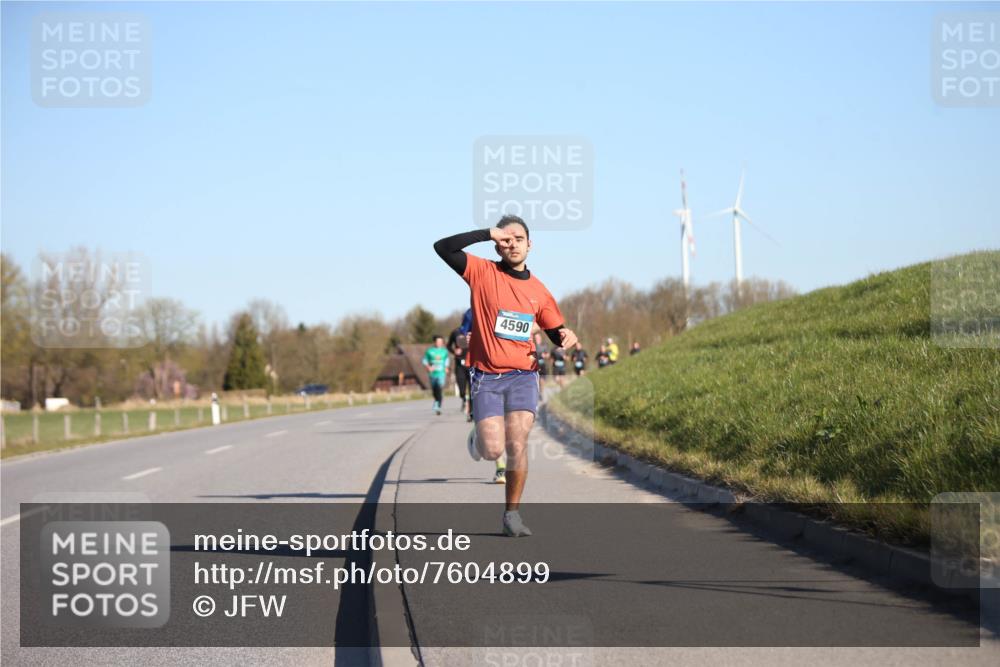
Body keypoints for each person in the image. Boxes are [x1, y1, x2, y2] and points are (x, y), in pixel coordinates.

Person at [434, 215, 578, 537]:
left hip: (524, 374)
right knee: (492, 450)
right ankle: (480, 439)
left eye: (519, 239)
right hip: (486, 376)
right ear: (499, 244)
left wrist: (566, 336)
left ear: (530, 244)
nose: (513, 244)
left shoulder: (539, 290)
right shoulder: (481, 271)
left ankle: (512, 514)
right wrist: (486, 233)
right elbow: (442, 247)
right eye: (506, 239)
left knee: (517, 442)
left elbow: (555, 330)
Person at [447, 315, 472, 419]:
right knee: (462, 388)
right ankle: (464, 399)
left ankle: (471, 411)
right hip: (459, 364)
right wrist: (454, 351)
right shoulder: (455, 332)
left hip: (471, 363)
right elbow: (448, 345)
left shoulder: (474, 330)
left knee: (472, 389)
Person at [422, 335, 449, 415]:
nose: (439, 343)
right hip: (433, 374)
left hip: (441, 373)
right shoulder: (429, 351)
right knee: (434, 390)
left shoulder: (444, 351)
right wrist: (428, 367)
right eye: (437, 341)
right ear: (434, 342)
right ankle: (436, 401)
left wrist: (446, 368)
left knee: (439, 388)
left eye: (441, 342)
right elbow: (424, 360)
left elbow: (447, 360)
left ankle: (438, 406)